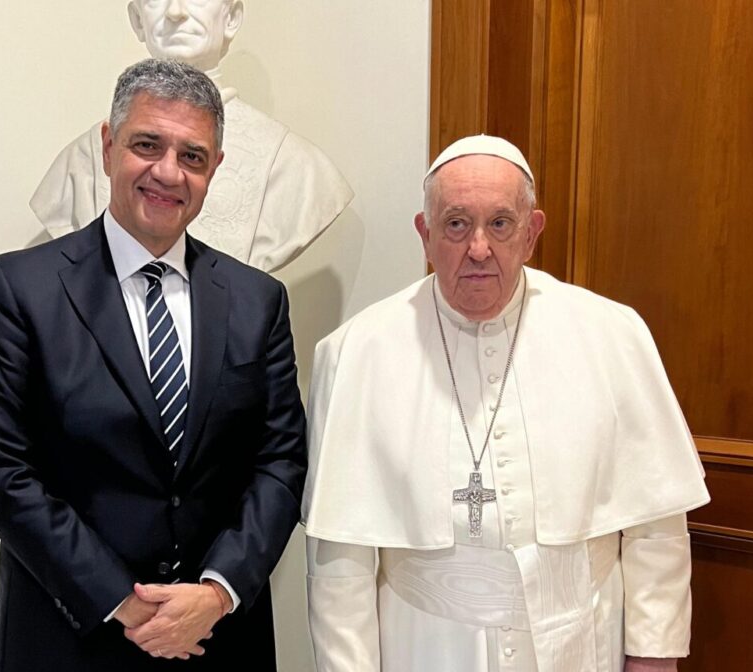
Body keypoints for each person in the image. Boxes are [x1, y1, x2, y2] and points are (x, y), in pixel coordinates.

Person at [302, 135, 710, 672]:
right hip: (425, 645)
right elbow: (340, 560)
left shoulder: (612, 334)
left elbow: (654, 523)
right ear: (425, 235)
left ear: (531, 233)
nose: (478, 249)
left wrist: (654, 657)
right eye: (455, 224)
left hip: (580, 640)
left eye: (500, 224)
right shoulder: (356, 352)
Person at [0, 58, 307, 671]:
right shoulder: (18, 289)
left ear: (215, 169)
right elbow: (2, 470)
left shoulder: (258, 301)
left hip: (217, 639)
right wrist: (123, 601)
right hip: (70, 637)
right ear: (108, 144)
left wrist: (217, 591)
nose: (168, 172)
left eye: (193, 156)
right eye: (147, 145)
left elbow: (279, 462)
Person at [30, 0, 353, 272]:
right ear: (137, 19)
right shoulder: (80, 159)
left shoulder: (297, 166)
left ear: (232, 16)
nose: (175, 12)